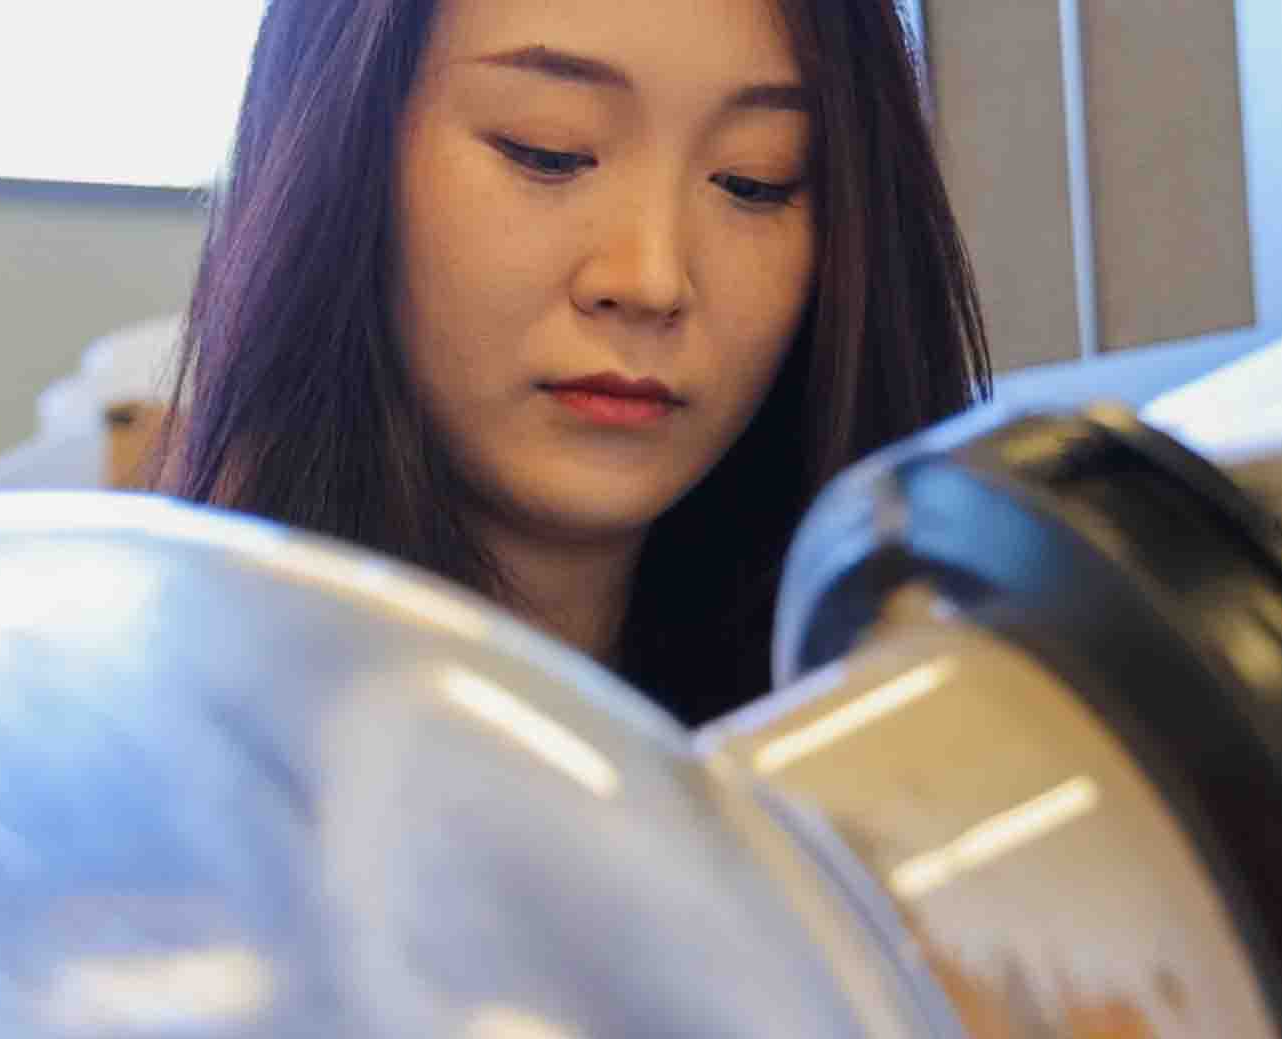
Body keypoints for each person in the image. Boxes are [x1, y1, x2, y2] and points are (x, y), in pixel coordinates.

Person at [156, 0, 990, 722]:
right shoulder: (142, 772)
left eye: (754, 180)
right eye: (547, 152)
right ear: (341, 154)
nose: (652, 278)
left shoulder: (898, 749)